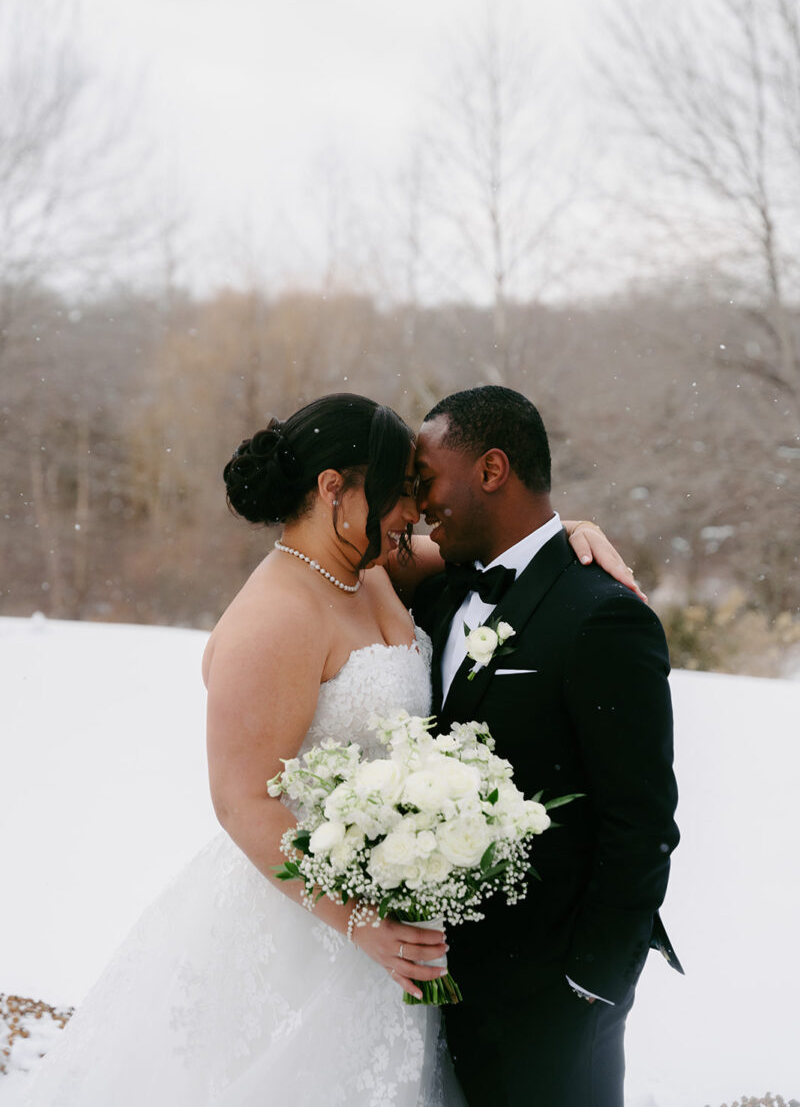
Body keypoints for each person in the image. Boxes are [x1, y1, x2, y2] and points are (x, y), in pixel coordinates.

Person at [12, 392, 639, 1107]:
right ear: (333, 487)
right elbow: (241, 800)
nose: (414, 513)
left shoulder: (371, 565)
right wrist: (359, 922)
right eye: (400, 493)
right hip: (302, 926)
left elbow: (509, 549)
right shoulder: (275, 614)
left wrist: (576, 532)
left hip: (391, 914)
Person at [411, 386, 683, 1107]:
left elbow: (643, 820)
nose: (417, 501)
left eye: (426, 477)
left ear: (492, 470)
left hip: (555, 1001)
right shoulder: (437, 592)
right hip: (443, 985)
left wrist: (591, 986)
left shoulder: (602, 617)